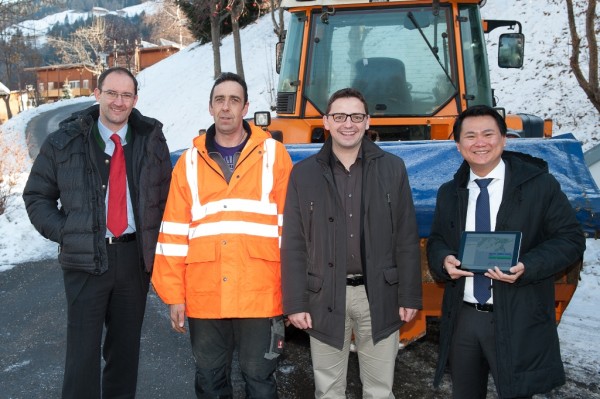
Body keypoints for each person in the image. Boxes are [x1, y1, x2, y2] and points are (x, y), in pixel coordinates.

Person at [22, 66, 172, 398]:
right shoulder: (65, 141)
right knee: (82, 356)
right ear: (97, 94)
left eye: (126, 95)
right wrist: (68, 231)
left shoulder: (151, 140)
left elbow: (166, 198)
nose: (119, 102)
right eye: (112, 93)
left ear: (135, 99)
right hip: (85, 261)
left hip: (133, 259)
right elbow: (36, 196)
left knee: (125, 352)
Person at [427, 104, 586, 398]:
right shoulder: (450, 192)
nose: (480, 142)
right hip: (464, 318)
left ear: (503, 139)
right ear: (458, 145)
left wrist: (529, 265)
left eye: (488, 134)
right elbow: (437, 239)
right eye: (470, 136)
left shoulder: (538, 185)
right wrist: (443, 259)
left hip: (518, 313)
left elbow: (570, 239)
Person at [151, 72, 293, 398]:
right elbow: (173, 232)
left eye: (234, 100)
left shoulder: (275, 156)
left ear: (246, 108)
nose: (226, 107)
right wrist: (174, 295)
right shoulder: (188, 163)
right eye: (219, 100)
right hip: (205, 295)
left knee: (260, 381)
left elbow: (292, 232)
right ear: (210, 107)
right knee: (211, 382)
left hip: (261, 294)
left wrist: (293, 290)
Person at [281, 88, 422, 398]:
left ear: (368, 121)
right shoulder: (303, 175)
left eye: (356, 116)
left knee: (380, 391)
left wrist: (409, 294)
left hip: (380, 296)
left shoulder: (392, 168)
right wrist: (295, 302)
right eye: (340, 116)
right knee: (329, 391)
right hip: (325, 297)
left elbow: (406, 237)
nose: (349, 124)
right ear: (326, 122)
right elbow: (293, 243)